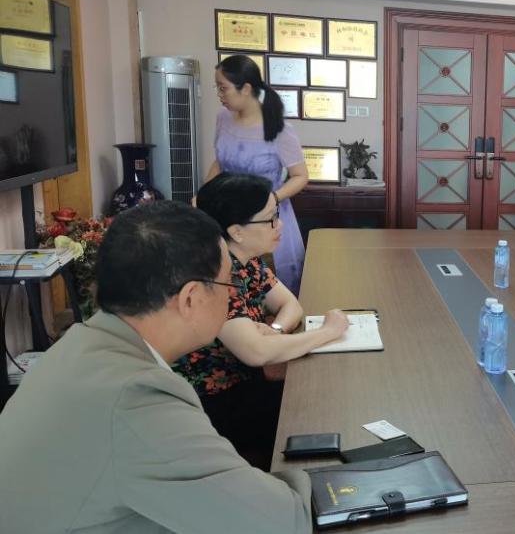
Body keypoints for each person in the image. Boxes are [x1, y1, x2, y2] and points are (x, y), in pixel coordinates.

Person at [0, 202, 312, 533]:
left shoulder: (78, 345)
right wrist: (312, 477)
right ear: (190, 298)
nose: (233, 299)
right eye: (229, 285)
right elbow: (280, 521)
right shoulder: (138, 397)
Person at [175, 173, 348, 471]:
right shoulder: (214, 272)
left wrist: (274, 331)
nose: (279, 225)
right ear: (237, 231)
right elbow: (256, 353)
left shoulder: (248, 259)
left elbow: (290, 305)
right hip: (214, 404)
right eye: (270, 219)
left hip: (245, 383)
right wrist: (328, 332)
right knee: (319, 408)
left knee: (323, 395)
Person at [207, 54, 308, 293]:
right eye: (217, 88)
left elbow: (300, 176)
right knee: (227, 282)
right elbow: (219, 162)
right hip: (229, 216)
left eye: (223, 88)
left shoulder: (279, 129)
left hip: (266, 217)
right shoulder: (223, 119)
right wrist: (205, 197)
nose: (220, 95)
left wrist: (272, 199)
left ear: (246, 89)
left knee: (272, 286)